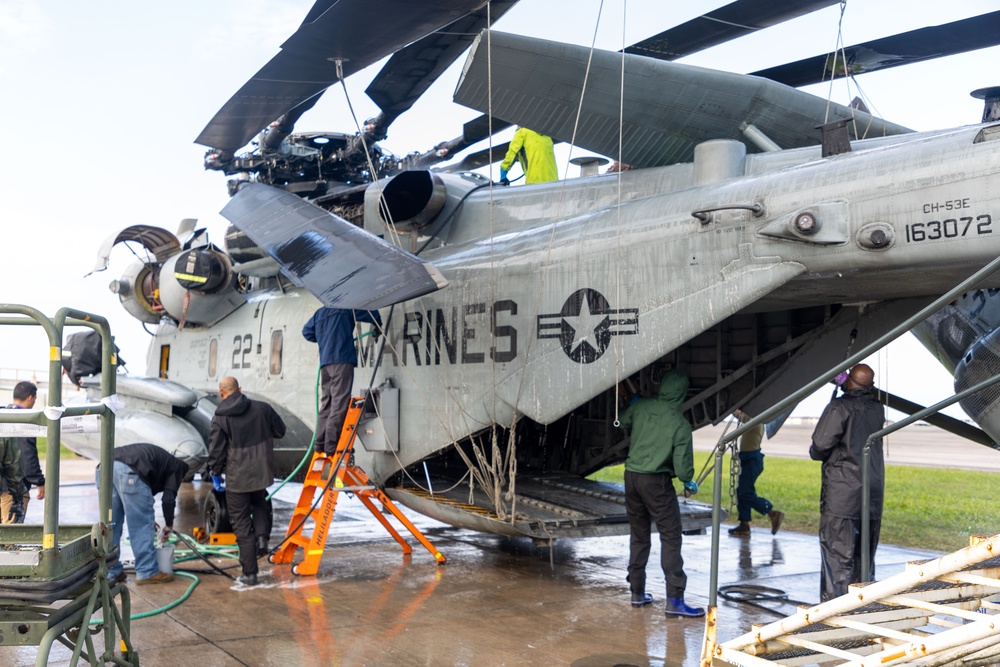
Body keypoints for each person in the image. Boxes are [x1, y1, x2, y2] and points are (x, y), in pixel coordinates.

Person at [619, 369, 704, 618]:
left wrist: (633, 405)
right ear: (681, 394)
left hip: (631, 478)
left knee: (639, 535)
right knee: (670, 537)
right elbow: (682, 467)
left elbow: (622, 421)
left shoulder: (642, 407)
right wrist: (689, 481)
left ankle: (637, 593)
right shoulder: (680, 424)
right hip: (657, 483)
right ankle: (675, 600)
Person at [809, 363, 885, 601]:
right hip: (871, 495)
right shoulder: (877, 408)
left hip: (843, 495)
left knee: (838, 559)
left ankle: (836, 616)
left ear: (848, 381)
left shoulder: (839, 408)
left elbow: (819, 447)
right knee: (864, 560)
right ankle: (861, 611)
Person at [208, 376, 286, 587]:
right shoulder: (263, 408)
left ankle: (250, 573)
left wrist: (214, 472)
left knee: (241, 525)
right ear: (240, 389)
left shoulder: (220, 417)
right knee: (260, 503)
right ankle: (262, 539)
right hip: (261, 472)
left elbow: (216, 450)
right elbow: (281, 431)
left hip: (237, 477)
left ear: (221, 393)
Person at [97, 442, 189, 585]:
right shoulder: (177, 468)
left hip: (104, 467)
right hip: (129, 471)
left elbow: (141, 501)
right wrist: (169, 525)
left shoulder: (161, 462)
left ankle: (110, 570)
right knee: (140, 525)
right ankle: (147, 571)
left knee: (110, 524)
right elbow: (168, 499)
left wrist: (148, 518)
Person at [302, 307, 382, 455]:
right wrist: (378, 324)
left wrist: (323, 338)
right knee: (339, 403)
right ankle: (331, 446)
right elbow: (371, 313)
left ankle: (319, 444)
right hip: (342, 360)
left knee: (326, 403)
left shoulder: (319, 313)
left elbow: (306, 332)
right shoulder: (345, 307)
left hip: (325, 364)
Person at [728, 409, 783, 537]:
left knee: (745, 493)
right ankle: (744, 524)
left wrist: (731, 408)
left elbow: (742, 416)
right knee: (741, 492)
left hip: (751, 460)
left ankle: (771, 512)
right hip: (748, 459)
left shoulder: (755, 420)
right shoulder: (756, 421)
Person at [1, 381, 43, 524]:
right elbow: (27, 455)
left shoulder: (4, 415)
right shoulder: (25, 420)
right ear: (30, 397)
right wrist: (39, 481)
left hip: (2, 484)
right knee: (10, 537)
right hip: (14, 487)